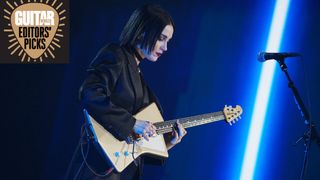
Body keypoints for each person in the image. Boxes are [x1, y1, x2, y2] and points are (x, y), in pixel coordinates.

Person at [75, 4, 187, 180]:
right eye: (161, 38)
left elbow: (136, 148)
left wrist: (168, 143)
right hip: (99, 168)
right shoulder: (116, 55)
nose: (165, 47)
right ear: (142, 32)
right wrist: (132, 123)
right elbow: (90, 93)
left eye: (168, 41)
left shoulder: (140, 77)